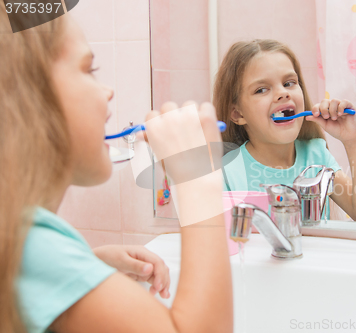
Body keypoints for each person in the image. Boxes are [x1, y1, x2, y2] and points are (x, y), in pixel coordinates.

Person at [0, 5, 232, 333]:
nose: (107, 91)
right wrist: (197, 180)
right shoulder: (32, 247)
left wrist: (86, 268)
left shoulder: (23, 247)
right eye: (88, 69)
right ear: (27, 100)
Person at [214, 39, 356, 222]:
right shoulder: (228, 171)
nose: (283, 93)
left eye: (289, 83)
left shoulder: (316, 155)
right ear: (237, 114)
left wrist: (354, 140)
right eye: (262, 89)